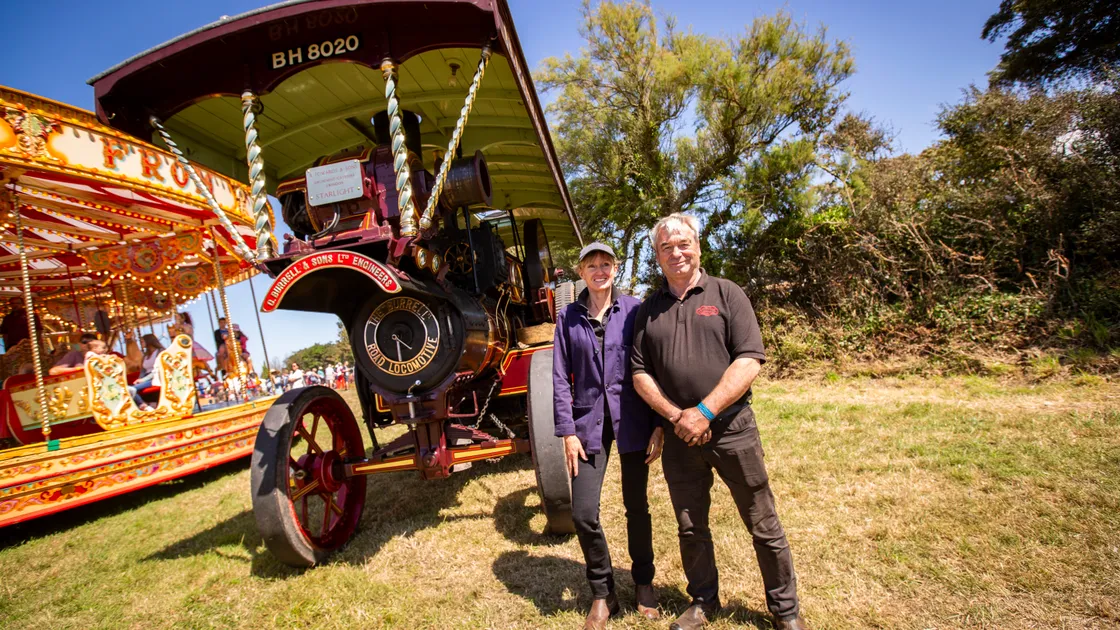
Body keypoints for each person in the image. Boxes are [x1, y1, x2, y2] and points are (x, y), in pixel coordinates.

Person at [631, 213, 808, 630]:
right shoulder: (648, 309)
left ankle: (786, 612)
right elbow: (640, 372)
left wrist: (705, 411)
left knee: (763, 524)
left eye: (683, 244)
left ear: (698, 246)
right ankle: (702, 602)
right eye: (665, 247)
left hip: (732, 429)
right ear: (657, 257)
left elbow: (749, 359)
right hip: (679, 438)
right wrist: (677, 417)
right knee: (691, 527)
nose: (676, 252)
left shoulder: (728, 293)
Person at [553, 242, 664, 630]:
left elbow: (652, 364)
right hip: (587, 426)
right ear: (580, 272)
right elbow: (559, 379)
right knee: (583, 514)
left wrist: (658, 423)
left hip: (633, 419)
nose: (599, 271)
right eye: (591, 265)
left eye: (605, 264)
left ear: (615, 269)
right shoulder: (567, 317)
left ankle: (644, 584)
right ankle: (603, 592)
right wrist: (567, 431)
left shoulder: (634, 309)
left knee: (637, 506)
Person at [126, 334, 164, 412]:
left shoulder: (160, 352)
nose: (141, 343)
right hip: (146, 378)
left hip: (156, 377)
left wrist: (143, 380)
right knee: (128, 389)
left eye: (142, 341)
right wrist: (140, 379)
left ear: (149, 341)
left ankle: (143, 405)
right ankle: (146, 406)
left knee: (130, 389)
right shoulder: (146, 356)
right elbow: (143, 370)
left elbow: (159, 369)